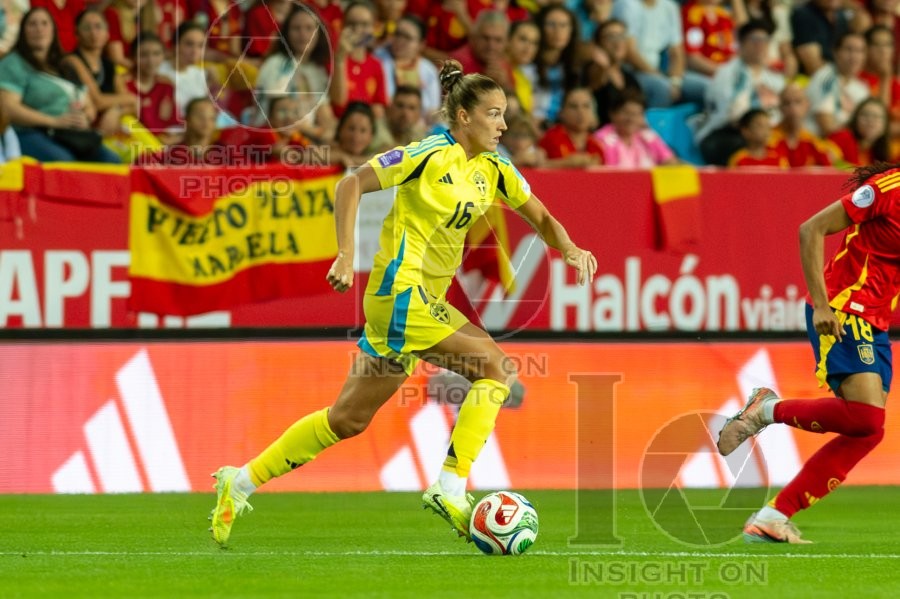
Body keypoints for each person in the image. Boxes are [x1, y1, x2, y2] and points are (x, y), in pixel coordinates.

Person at [209, 58, 598, 547]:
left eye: (504, 115)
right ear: (464, 118)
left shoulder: (494, 169)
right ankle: (450, 487)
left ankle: (238, 482)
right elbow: (350, 183)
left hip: (418, 302)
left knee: (346, 419)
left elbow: (540, 216)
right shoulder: (428, 154)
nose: (504, 125)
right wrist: (346, 256)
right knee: (497, 370)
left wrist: (571, 248)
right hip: (400, 296)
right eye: (494, 114)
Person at [717, 161, 899, 544]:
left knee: (868, 430)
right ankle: (766, 409)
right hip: (843, 306)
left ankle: (773, 515)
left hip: (878, 322)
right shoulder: (890, 188)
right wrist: (820, 304)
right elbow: (811, 229)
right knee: (866, 416)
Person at [0, 7, 120, 163]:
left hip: (71, 135)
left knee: (111, 160)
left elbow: (89, 105)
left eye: (44, 23)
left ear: (53, 31)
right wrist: (54, 121)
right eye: (32, 24)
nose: (39, 29)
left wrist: (85, 117)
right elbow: (8, 108)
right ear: (23, 31)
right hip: (30, 132)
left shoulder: (64, 64)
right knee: (64, 164)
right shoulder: (13, 63)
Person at [61, 9, 137, 137]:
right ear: (77, 33)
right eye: (86, 28)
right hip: (82, 127)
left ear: (107, 34)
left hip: (109, 127)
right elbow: (97, 101)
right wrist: (123, 102)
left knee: (149, 150)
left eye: (98, 27)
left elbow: (134, 104)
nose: (93, 32)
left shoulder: (109, 65)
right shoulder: (72, 60)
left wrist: (116, 110)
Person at [594, 88, 678, 167]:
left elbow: (670, 162)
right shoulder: (602, 139)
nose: (631, 119)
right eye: (626, 112)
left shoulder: (647, 136)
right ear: (612, 114)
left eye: (636, 114)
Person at [538, 87, 604, 168]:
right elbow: (536, 168)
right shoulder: (550, 139)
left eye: (586, 106)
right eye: (573, 106)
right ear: (562, 112)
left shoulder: (597, 146)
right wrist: (566, 163)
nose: (580, 111)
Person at [827, 97, 891, 166]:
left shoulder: (880, 152)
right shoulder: (843, 137)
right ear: (855, 120)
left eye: (876, 116)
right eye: (865, 115)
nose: (870, 120)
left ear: (885, 125)